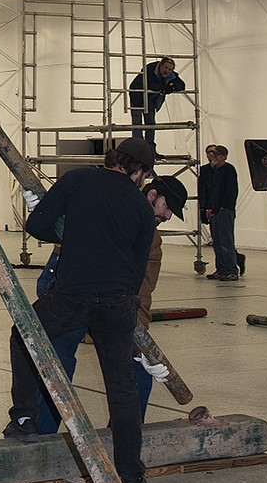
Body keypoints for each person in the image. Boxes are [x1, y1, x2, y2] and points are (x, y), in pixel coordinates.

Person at [4, 137, 156, 483]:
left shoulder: (78, 179)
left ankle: (24, 418)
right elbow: (137, 270)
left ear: (114, 159)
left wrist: (72, 233)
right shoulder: (140, 205)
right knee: (122, 387)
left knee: (24, 336)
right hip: (118, 301)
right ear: (140, 172)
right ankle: (131, 474)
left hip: (73, 295)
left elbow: (37, 226)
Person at [33, 173, 188, 433]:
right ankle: (37, 433)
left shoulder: (152, 238)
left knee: (137, 371)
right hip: (75, 292)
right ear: (152, 195)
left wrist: (141, 340)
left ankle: (126, 436)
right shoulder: (106, 203)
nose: (169, 216)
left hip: (114, 303)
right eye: (168, 207)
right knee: (57, 361)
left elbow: (144, 286)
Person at [199, 143, 242, 280]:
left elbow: (231, 191)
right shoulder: (215, 171)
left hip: (224, 210)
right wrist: (210, 208)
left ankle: (231, 270)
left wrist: (224, 207)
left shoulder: (228, 170)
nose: (213, 157)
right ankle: (221, 269)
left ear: (223, 157)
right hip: (216, 211)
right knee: (217, 241)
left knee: (226, 241)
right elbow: (213, 193)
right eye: (212, 154)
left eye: (216, 155)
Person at [128, 56, 185, 153]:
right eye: (166, 68)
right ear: (161, 66)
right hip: (137, 98)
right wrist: (165, 87)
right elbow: (150, 84)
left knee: (150, 125)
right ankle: (138, 149)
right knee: (137, 125)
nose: (167, 71)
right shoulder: (149, 69)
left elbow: (181, 85)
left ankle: (149, 150)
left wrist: (171, 87)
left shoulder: (171, 75)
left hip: (150, 100)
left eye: (170, 69)